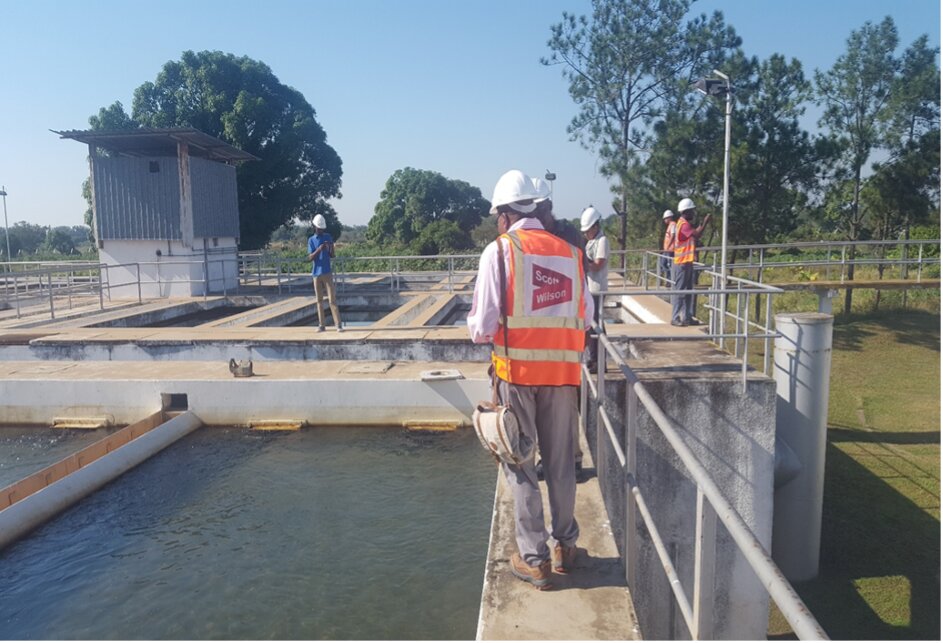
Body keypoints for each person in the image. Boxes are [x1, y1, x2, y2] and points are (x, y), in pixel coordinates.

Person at [467, 169, 594, 590]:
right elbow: (587, 318)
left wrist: (478, 328)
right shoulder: (571, 254)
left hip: (516, 377)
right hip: (562, 376)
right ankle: (565, 547)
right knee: (560, 465)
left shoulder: (499, 253)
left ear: (504, 214)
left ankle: (534, 559)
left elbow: (484, 326)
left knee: (519, 466)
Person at [532, 177, 585, 477]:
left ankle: (573, 457)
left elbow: (581, 278)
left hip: (566, 332)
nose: (535, 217)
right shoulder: (532, 238)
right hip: (540, 333)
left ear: (549, 207)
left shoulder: (569, 235)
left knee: (567, 398)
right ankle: (546, 457)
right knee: (541, 399)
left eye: (539, 210)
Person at [672, 198, 711, 326]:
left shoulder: (683, 224)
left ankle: (687, 317)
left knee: (688, 291)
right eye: (692, 211)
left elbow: (693, 237)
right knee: (680, 291)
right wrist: (705, 223)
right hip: (682, 263)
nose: (693, 213)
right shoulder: (683, 225)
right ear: (686, 212)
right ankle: (675, 317)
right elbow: (697, 234)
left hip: (687, 262)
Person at [580, 206, 608, 369]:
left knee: (597, 327)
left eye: (588, 230)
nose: (586, 234)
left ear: (595, 227)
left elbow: (598, 265)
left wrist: (584, 263)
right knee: (591, 326)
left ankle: (600, 362)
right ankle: (593, 358)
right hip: (590, 289)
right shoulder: (591, 241)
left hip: (598, 289)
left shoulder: (602, 241)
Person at [307, 214, 343, 332]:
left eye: (322, 228)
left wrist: (331, 247)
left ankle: (338, 325)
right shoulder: (311, 240)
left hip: (327, 272)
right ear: (315, 227)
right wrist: (319, 249)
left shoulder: (328, 237)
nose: (321, 230)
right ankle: (321, 325)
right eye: (319, 228)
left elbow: (332, 255)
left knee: (332, 299)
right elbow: (310, 257)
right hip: (316, 274)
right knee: (319, 300)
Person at [660, 209, 676, 281]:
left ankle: (670, 280)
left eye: (666, 218)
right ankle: (668, 279)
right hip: (667, 250)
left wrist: (668, 246)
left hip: (670, 250)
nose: (665, 220)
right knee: (663, 264)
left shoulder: (673, 225)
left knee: (669, 265)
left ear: (669, 217)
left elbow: (673, 236)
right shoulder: (670, 225)